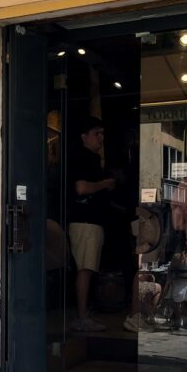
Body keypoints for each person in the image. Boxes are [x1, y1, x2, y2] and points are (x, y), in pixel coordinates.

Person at [68, 117, 115, 332]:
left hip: (92, 221)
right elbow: (81, 188)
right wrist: (104, 184)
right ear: (84, 136)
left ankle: (84, 313)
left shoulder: (93, 159)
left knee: (88, 269)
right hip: (85, 221)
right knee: (85, 269)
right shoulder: (82, 158)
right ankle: (81, 317)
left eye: (102, 134)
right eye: (97, 133)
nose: (101, 138)